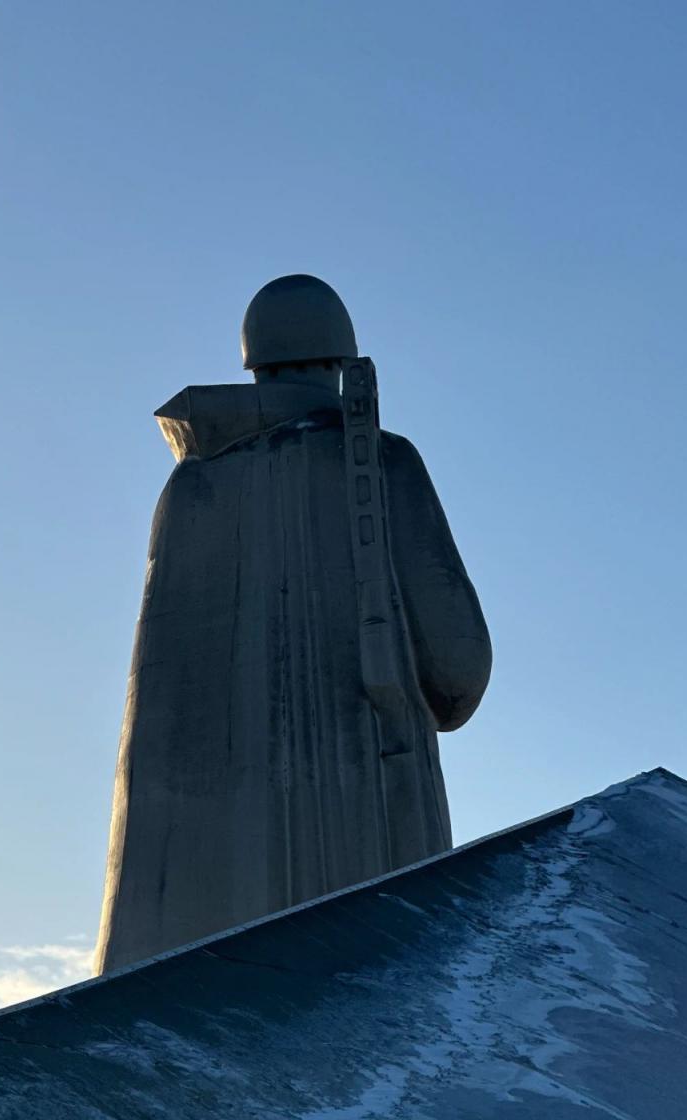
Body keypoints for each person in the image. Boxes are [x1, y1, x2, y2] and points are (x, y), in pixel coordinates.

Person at [95, 274, 491, 974]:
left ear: (254, 361)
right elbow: (457, 674)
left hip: (186, 940)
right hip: (369, 853)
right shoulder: (380, 463)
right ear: (341, 360)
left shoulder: (189, 489)